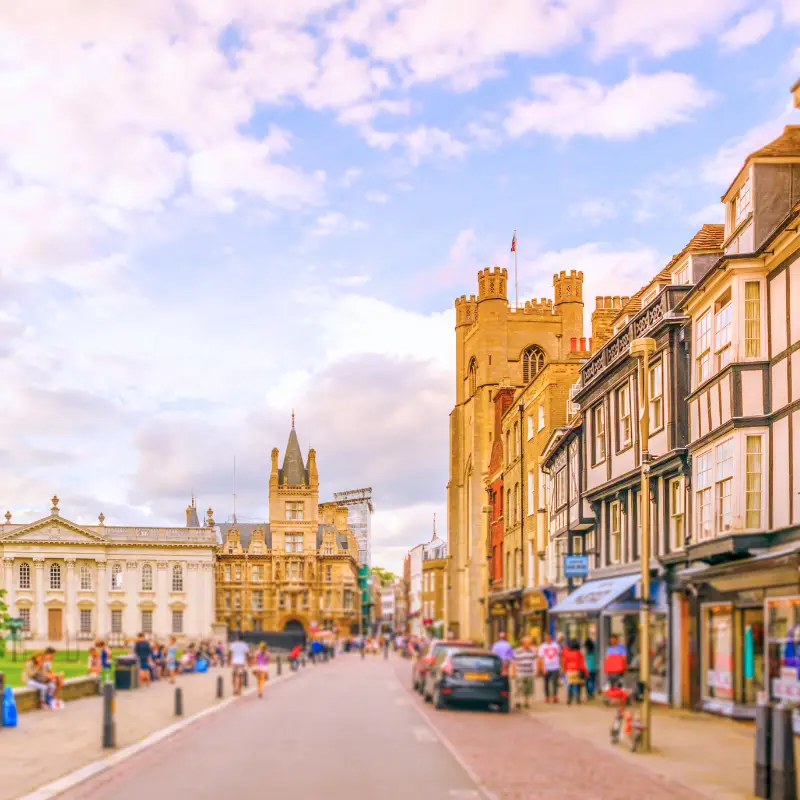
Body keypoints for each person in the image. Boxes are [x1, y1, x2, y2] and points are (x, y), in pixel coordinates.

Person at [512, 635, 538, 710]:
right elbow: (514, 662)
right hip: (520, 672)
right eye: (528, 643)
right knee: (519, 688)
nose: (530, 644)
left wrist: (535, 671)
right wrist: (513, 672)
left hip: (529, 673)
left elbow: (534, 661)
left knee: (528, 688)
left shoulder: (532, 651)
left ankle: (526, 702)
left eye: (530, 643)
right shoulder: (517, 651)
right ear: (524, 643)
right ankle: (518, 701)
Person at [539, 632, 562, 703]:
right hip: (546, 667)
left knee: (555, 682)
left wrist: (561, 666)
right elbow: (541, 658)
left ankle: (555, 696)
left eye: (548, 637)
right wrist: (542, 667)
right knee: (546, 683)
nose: (547, 638)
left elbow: (560, 656)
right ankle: (547, 696)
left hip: (555, 667)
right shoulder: (542, 646)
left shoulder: (556, 645)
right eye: (546, 637)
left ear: (551, 637)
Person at [562, 639, 587, 705]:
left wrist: (564, 670)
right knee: (578, 685)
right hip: (577, 670)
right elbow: (582, 663)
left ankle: (569, 699)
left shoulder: (567, 652)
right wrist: (585, 671)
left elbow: (565, 662)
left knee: (570, 685)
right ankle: (578, 700)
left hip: (569, 671)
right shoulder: (579, 653)